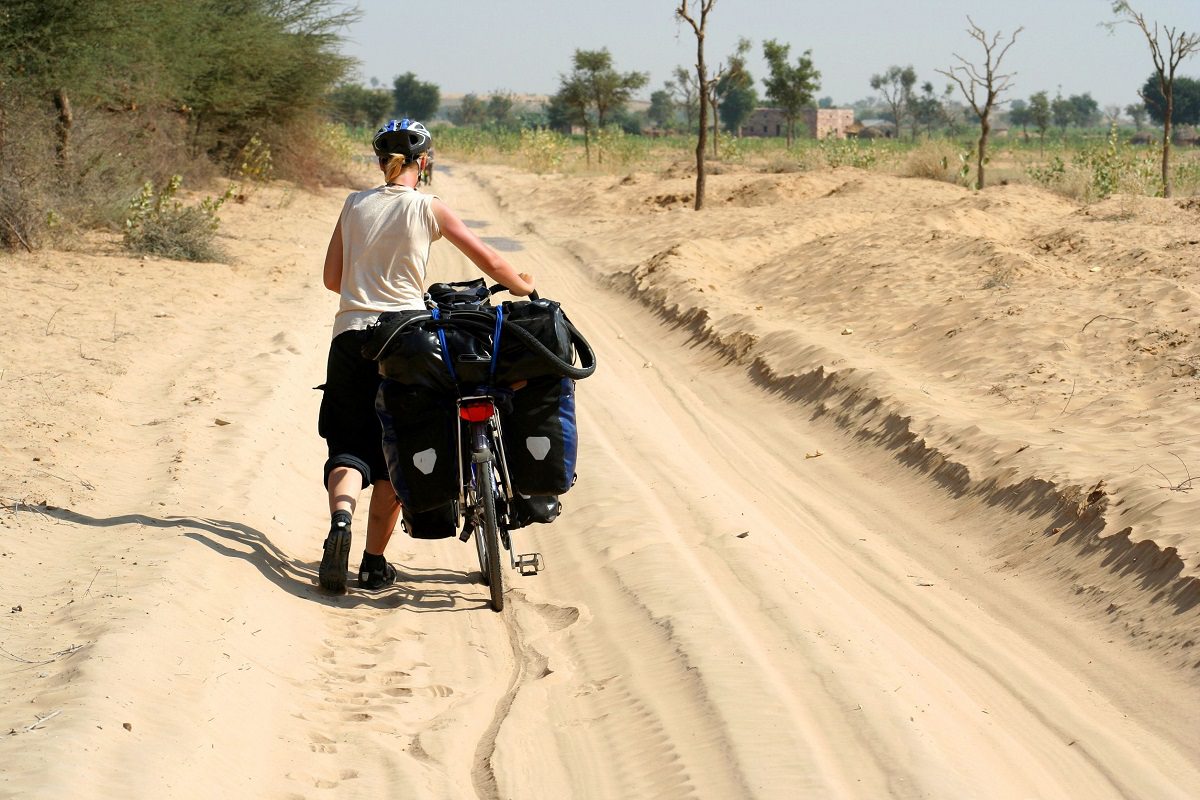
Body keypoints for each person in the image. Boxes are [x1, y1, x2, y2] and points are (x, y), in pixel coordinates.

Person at [317, 119, 534, 593]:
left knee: (349, 445)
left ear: (380, 162)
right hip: (407, 339)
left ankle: (340, 522)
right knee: (399, 441)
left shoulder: (353, 204)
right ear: (425, 162)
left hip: (350, 334)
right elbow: (491, 261)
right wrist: (525, 285)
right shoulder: (428, 207)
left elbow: (333, 280)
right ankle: (373, 563)